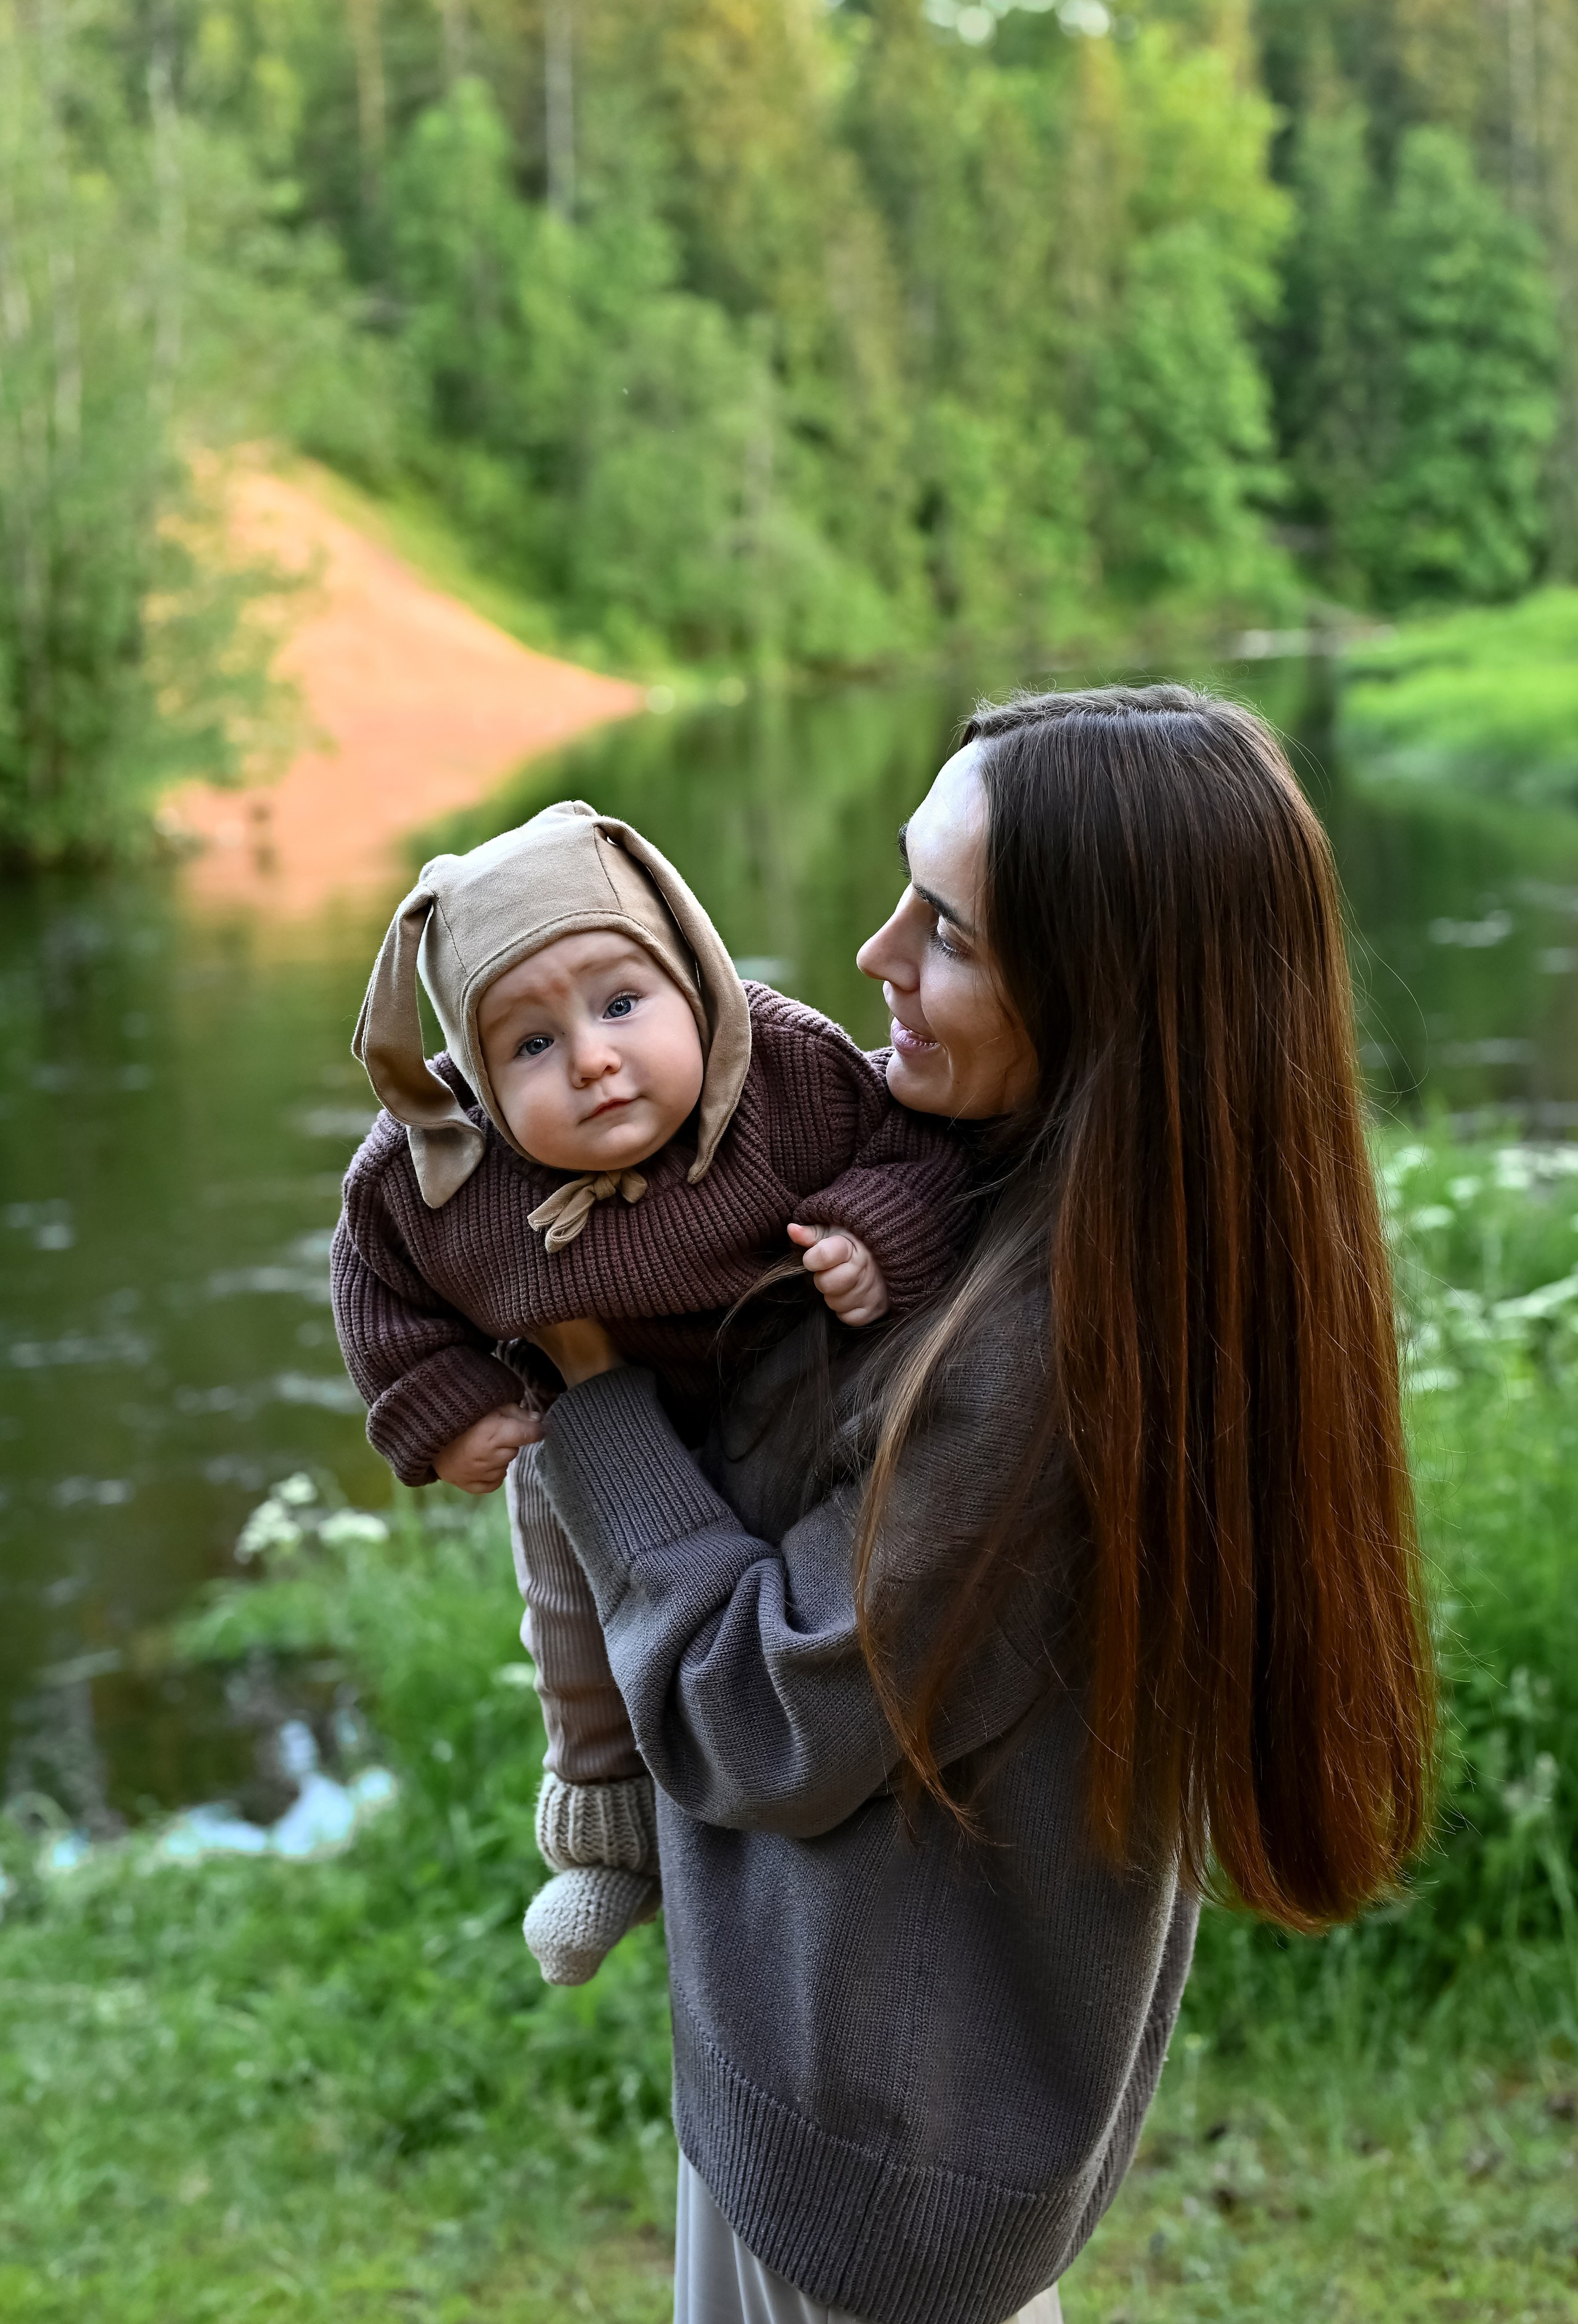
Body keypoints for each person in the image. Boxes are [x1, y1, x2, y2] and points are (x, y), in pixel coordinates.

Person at [520, 687, 1436, 2324]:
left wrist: (589, 1398)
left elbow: (756, 1719)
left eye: (944, 931)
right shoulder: (1086, 1226)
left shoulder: (1047, 1366)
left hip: (871, 2170)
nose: (875, 953)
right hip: (874, 2124)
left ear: (1108, 998)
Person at [331, 800, 974, 1983]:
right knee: (566, 1609)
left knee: (791, 1598)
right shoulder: (437, 1169)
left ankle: (786, 1770)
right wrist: (450, 1405)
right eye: (528, 1045)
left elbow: (917, 1149)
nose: (590, 1058)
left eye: (622, 1003)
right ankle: (600, 1826)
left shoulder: (786, 1072)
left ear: (694, 975)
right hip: (588, 1426)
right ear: (473, 1074)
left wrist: (871, 1234)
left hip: (789, 1389)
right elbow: (378, 1285)